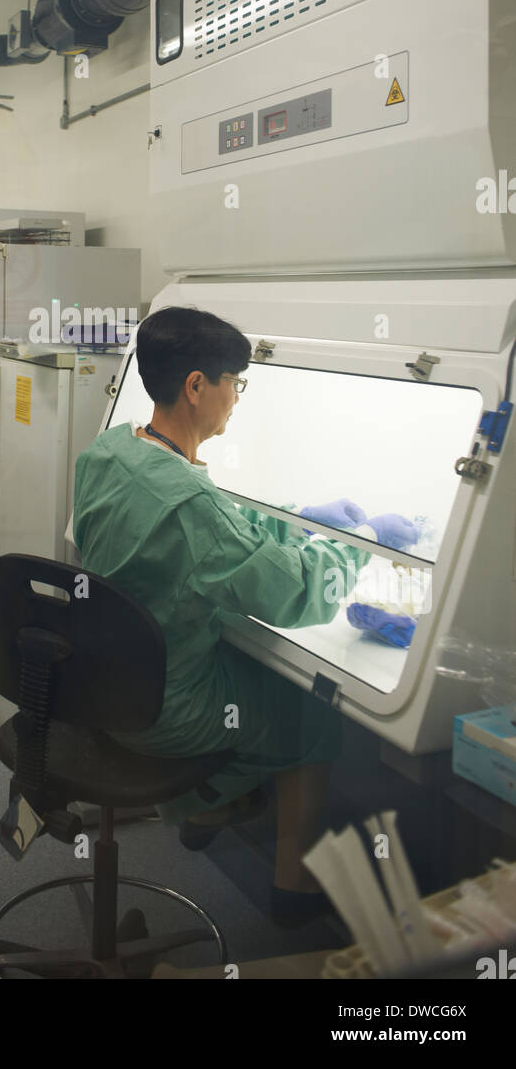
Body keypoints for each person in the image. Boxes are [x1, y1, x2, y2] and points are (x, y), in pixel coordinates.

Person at [73, 305, 418, 927]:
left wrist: (300, 514)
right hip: (164, 710)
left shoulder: (110, 452)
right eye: (235, 381)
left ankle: (207, 810)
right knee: (313, 713)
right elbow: (296, 597)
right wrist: (363, 538)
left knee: (251, 671)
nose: (238, 396)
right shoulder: (189, 503)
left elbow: (215, 525)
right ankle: (293, 883)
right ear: (196, 386)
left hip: (101, 684)